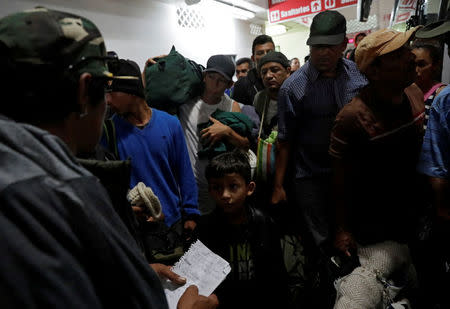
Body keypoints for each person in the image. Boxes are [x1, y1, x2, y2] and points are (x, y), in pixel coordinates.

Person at [0, 8, 217, 309]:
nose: (108, 105)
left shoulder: (21, 173)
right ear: (83, 91)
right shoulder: (63, 197)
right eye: (105, 92)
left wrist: (137, 275)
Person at [330, 27, 424, 308]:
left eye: (408, 49)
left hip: (414, 216)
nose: (411, 57)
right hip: (374, 228)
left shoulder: (414, 93)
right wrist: (342, 229)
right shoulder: (352, 118)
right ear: (374, 71)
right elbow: (338, 180)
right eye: (398, 54)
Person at [272, 10, 367, 248]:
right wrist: (278, 186)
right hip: (311, 177)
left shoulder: (357, 75)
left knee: (354, 234)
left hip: (352, 171)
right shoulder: (292, 88)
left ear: (344, 44)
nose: (323, 52)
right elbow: (284, 141)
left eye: (330, 46)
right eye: (317, 46)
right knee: (320, 241)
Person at [102, 58, 199, 230]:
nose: (107, 100)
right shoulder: (109, 131)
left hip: (172, 224)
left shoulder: (170, 124)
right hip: (134, 227)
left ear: (130, 91)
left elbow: (184, 172)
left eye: (111, 92)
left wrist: (190, 214)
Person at [198, 151, 287, 309]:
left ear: (249, 188)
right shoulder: (206, 229)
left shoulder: (264, 224)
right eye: (217, 187)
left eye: (233, 186)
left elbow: (277, 276)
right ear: (210, 191)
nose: (225, 195)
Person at [179, 55, 250, 215]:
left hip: (224, 187)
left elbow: (245, 145)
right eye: (211, 77)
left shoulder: (232, 106)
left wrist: (227, 132)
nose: (215, 83)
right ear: (204, 77)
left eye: (221, 80)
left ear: (230, 84)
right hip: (194, 185)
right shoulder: (186, 105)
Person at [416, 17, 450, 309]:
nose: (415, 71)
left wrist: (440, 207)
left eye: (422, 65)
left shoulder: (441, 98)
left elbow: (436, 163)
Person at [232, 34, 275, 105]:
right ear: (253, 58)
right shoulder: (242, 85)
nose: (265, 56)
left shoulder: (283, 78)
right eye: (260, 53)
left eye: (269, 52)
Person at [412, 42, 446, 129]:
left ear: (435, 66)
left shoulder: (441, 94)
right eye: (412, 64)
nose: (416, 70)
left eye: (422, 64)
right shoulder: (407, 91)